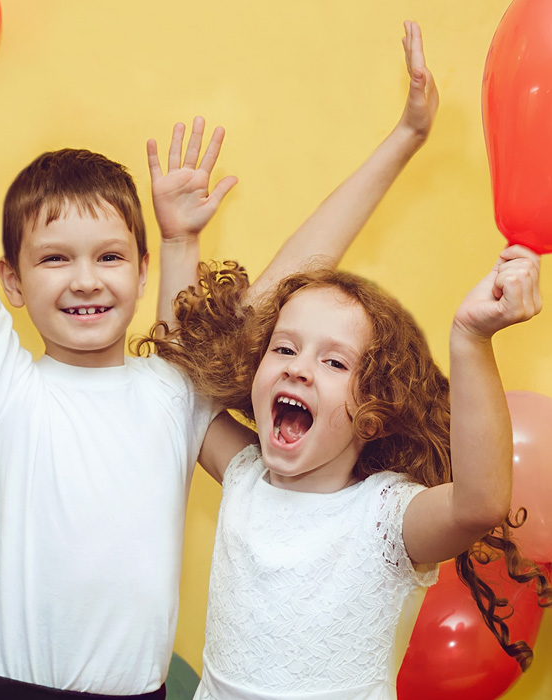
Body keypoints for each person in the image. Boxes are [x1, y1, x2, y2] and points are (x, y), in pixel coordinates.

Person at [0, 1, 437, 697]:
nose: (85, 279)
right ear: (10, 281)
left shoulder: (172, 393)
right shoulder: (1, 383)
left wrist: (405, 136)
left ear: (142, 270)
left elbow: (297, 284)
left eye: (109, 256)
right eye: (54, 259)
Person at [144, 247, 551, 700]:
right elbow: (177, 391)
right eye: (284, 348)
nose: (298, 368)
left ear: (374, 414)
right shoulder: (244, 473)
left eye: (334, 362)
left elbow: (479, 505)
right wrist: (178, 242)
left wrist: (470, 338)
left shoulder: (385, 517)